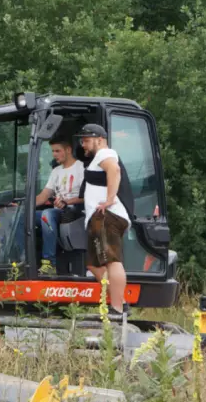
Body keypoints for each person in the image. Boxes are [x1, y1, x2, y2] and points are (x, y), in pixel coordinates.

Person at [77, 123, 134, 316]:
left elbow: (114, 170)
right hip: (97, 217)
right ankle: (121, 301)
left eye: (86, 140)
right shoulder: (96, 159)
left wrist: (110, 199)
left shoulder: (105, 154)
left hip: (108, 216)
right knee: (93, 264)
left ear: (99, 139)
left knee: (112, 261)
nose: (83, 144)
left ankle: (117, 308)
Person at [34, 137, 84, 275]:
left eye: (57, 151)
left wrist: (67, 202)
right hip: (57, 212)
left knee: (46, 215)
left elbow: (87, 197)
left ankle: (50, 263)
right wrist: (23, 206)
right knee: (23, 216)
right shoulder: (56, 171)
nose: (54, 154)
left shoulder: (81, 168)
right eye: (52, 151)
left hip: (74, 211)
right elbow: (43, 196)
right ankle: (20, 258)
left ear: (68, 150)